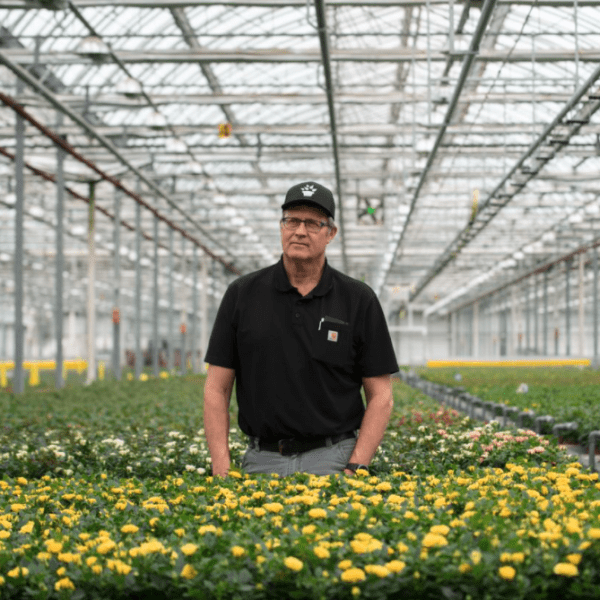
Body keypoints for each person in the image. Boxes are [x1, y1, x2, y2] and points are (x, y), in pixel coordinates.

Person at [203, 181, 398, 478]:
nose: (300, 231)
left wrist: (356, 465)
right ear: (281, 227)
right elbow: (217, 388)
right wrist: (221, 465)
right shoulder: (242, 295)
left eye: (312, 223)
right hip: (262, 460)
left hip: (334, 458)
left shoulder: (358, 299)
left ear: (330, 233)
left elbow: (381, 394)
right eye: (291, 220)